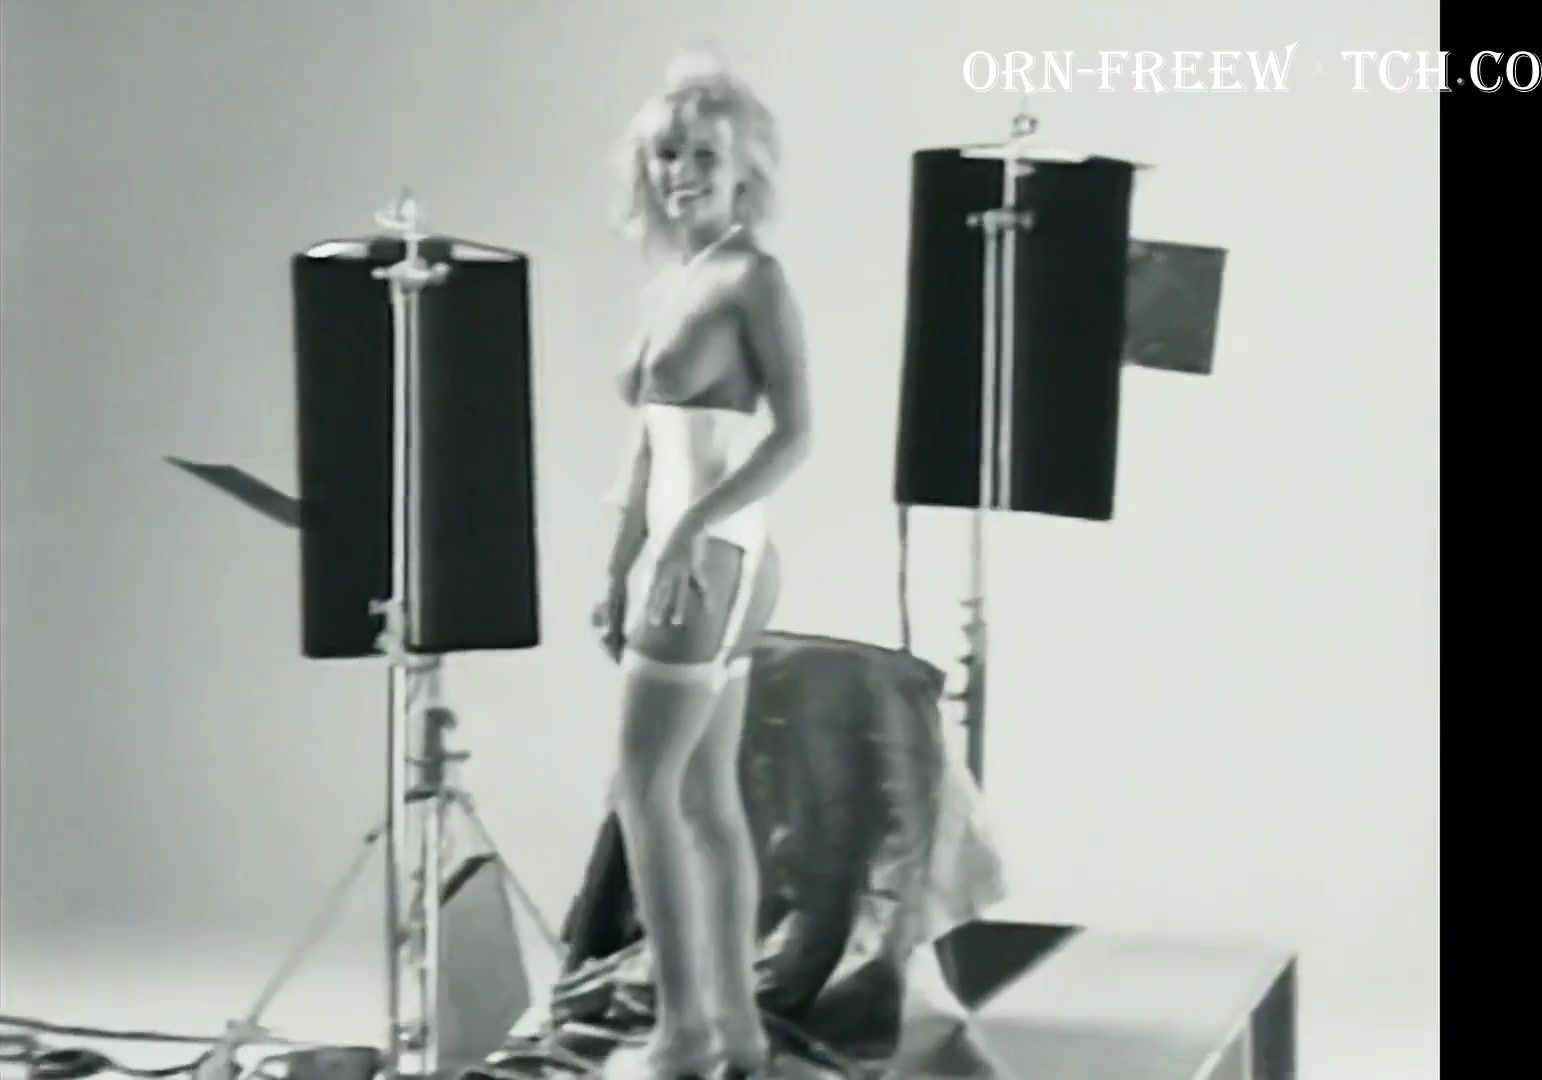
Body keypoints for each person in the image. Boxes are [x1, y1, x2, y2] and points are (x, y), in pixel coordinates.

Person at [591, 50, 813, 1080]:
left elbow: (796, 436)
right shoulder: (669, 282)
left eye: (704, 156)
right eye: (667, 154)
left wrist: (683, 536)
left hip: (717, 548)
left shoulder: (753, 278)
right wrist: (616, 567)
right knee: (705, 801)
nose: (681, 173)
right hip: (687, 551)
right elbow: (647, 446)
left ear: (743, 167)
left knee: (644, 788)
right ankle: (737, 1035)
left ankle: (681, 1033)